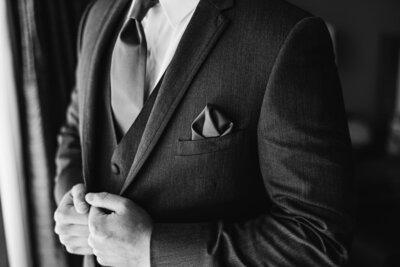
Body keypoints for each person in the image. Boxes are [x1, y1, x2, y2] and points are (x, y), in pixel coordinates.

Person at [53, 0, 354, 266]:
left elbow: (317, 238)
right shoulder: (97, 14)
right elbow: (74, 134)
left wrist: (152, 249)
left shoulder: (283, 34)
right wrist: (74, 203)